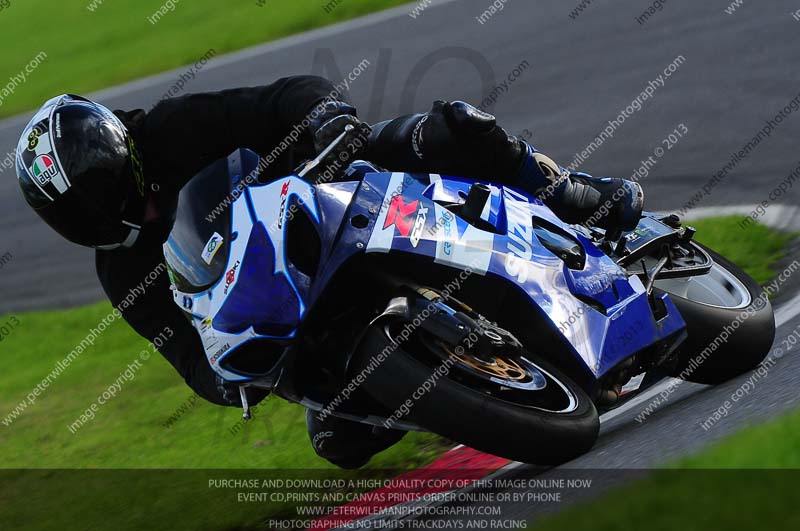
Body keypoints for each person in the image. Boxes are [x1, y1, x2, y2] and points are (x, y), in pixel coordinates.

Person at [14, 75, 642, 469]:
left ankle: (570, 192)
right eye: (95, 215)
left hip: (332, 201)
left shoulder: (172, 129)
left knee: (450, 130)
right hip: (291, 316)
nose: (134, 213)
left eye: (124, 191)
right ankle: (483, 383)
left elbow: (282, 96)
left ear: (127, 153)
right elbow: (185, 355)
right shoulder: (120, 269)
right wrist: (228, 379)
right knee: (340, 440)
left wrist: (325, 119)